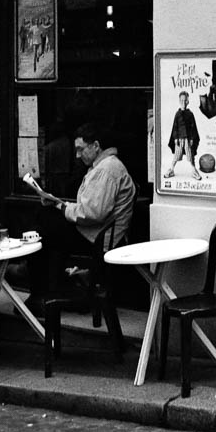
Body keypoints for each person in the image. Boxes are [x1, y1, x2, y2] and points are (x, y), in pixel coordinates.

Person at [26, 122, 136, 308]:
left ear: (95, 145)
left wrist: (62, 208)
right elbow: (91, 207)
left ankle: (43, 291)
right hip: (96, 232)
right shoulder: (103, 166)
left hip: (100, 238)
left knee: (45, 230)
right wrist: (61, 204)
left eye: (80, 149)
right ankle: (50, 289)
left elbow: (93, 212)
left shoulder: (106, 169)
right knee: (46, 225)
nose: (77, 155)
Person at [164, 91, 202, 180]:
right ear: (179, 101)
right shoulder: (177, 114)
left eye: (185, 100)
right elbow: (175, 127)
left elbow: (193, 127)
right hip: (179, 138)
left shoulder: (190, 114)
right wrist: (175, 138)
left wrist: (192, 138)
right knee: (177, 155)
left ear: (188, 101)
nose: (183, 102)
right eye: (181, 100)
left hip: (188, 139)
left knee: (190, 155)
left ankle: (194, 171)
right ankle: (171, 169)